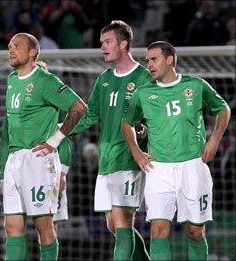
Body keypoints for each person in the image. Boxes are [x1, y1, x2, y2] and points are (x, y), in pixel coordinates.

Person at [122, 41, 230, 260]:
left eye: (154, 59)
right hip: (159, 168)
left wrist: (214, 140)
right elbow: (127, 123)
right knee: (158, 230)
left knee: (195, 231)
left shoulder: (196, 85)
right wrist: (136, 151)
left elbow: (223, 109)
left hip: (193, 166)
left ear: (169, 60)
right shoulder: (143, 94)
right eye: (147, 60)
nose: (149, 65)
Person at [0, 32, 87, 260]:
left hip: (38, 160)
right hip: (14, 160)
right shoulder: (11, 80)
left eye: (17, 46)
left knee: (43, 226)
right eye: (9, 46)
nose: (11, 50)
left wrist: (55, 141)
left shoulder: (46, 81)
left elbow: (79, 107)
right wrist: (3, 170)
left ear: (32, 53)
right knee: (11, 227)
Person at [70, 20, 152, 260]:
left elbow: (152, 118)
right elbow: (91, 115)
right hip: (106, 160)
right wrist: (62, 131)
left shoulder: (144, 78)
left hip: (128, 159)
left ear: (124, 44)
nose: (103, 47)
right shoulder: (104, 79)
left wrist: (144, 134)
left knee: (123, 221)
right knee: (113, 225)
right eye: (101, 43)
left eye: (107, 42)